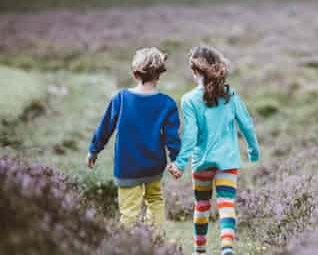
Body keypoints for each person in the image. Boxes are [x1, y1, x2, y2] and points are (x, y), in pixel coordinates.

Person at [169, 46, 260, 255]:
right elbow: (246, 124)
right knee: (226, 204)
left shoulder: (189, 100)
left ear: (195, 72)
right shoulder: (230, 95)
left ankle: (199, 251)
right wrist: (253, 149)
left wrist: (180, 163)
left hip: (201, 162)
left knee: (201, 205)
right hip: (228, 162)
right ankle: (227, 248)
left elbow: (190, 136)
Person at [87, 47, 181, 233]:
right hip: (154, 166)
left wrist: (94, 149)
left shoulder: (121, 99)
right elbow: (172, 138)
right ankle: (155, 241)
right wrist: (177, 160)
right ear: (160, 74)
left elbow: (105, 127)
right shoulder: (167, 103)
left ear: (135, 74)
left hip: (127, 166)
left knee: (129, 211)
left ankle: (128, 244)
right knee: (155, 201)